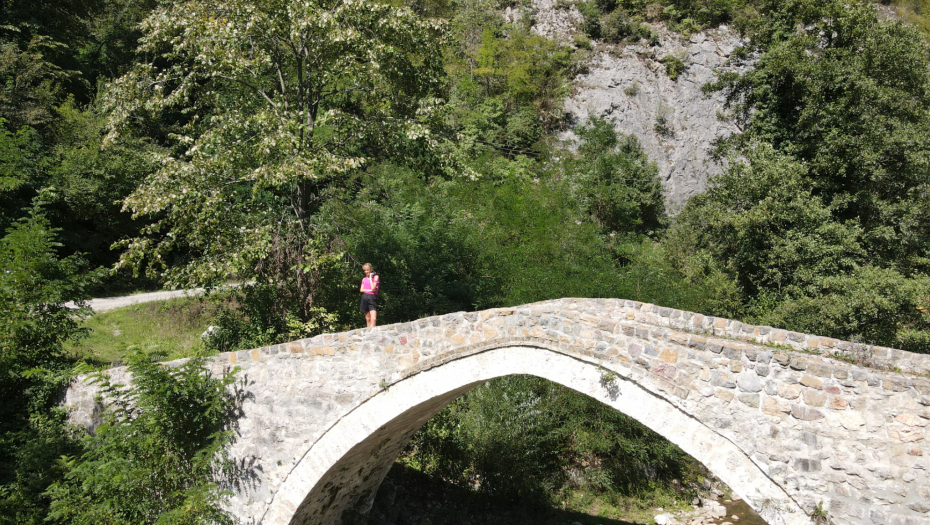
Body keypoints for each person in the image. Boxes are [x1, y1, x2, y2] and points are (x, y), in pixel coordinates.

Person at [359, 263, 379, 327]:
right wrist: (370, 290)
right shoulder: (364, 279)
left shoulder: (376, 277)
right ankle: (368, 333)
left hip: (372, 297)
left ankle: (373, 332)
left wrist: (370, 278)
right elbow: (361, 290)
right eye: (365, 270)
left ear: (371, 270)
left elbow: (373, 287)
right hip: (365, 297)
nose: (366, 272)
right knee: (368, 319)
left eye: (367, 270)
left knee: (373, 318)